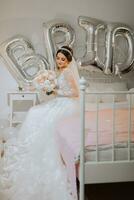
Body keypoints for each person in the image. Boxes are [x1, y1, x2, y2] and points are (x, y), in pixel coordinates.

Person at [0, 46, 80, 200]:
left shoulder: (69, 72)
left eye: (63, 59)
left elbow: (76, 92)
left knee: (39, 114)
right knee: (34, 112)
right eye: (58, 58)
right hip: (59, 100)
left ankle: (37, 145)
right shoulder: (59, 71)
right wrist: (47, 86)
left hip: (66, 103)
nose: (60, 61)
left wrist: (57, 92)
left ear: (69, 60)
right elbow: (55, 86)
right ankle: (29, 144)